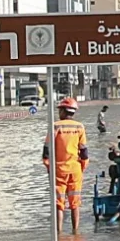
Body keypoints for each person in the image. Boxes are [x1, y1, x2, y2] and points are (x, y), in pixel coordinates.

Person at [47, 97, 89, 231]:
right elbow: (84, 152)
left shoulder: (55, 126)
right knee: (75, 203)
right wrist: (82, 167)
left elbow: (47, 150)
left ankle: (58, 233)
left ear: (63, 111)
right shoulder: (79, 127)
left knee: (59, 204)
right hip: (75, 169)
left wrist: (49, 167)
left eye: (60, 110)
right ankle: (75, 232)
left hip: (59, 169)